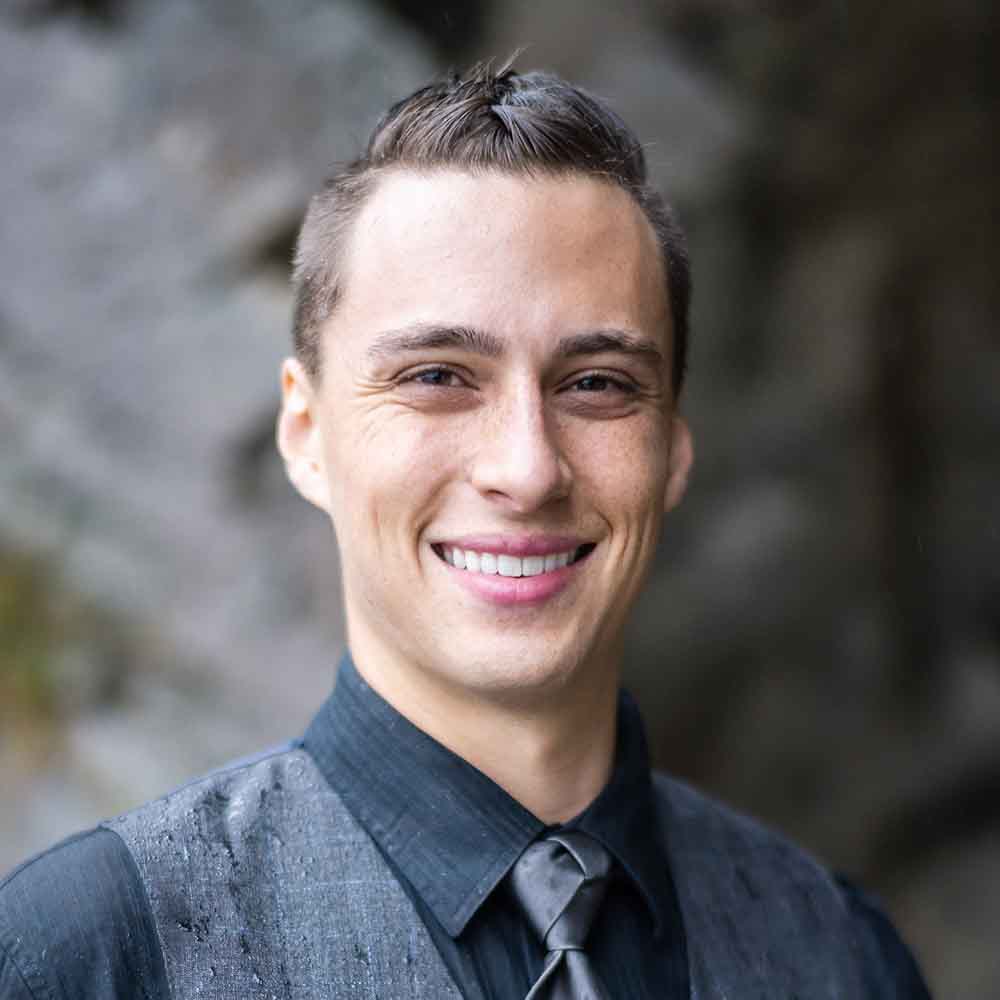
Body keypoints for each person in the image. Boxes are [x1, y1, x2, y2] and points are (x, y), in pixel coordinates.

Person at [0, 63, 931, 999]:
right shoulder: (88, 954)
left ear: (673, 452)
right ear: (307, 434)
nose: (527, 470)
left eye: (597, 383)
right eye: (437, 376)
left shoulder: (844, 957)